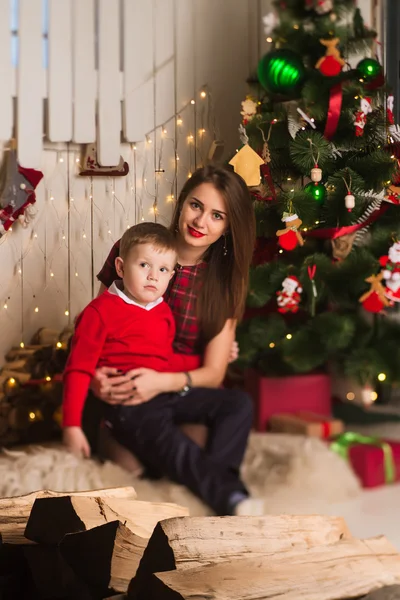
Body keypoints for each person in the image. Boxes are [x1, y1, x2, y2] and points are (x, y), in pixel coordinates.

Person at [89, 164, 260, 516]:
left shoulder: (223, 283)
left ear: (228, 227)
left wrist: (162, 382)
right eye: (196, 206)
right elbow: (99, 324)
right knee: (138, 464)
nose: (201, 222)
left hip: (177, 386)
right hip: (130, 384)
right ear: (181, 203)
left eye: (217, 216)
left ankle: (220, 492)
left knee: (238, 406)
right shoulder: (136, 248)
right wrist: (97, 376)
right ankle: (225, 494)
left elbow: (213, 374)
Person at [62, 222, 201, 458]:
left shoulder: (163, 313)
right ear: (120, 267)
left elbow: (164, 361)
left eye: (163, 270)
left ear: (171, 275)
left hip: (156, 400)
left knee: (219, 414)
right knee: (134, 468)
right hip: (116, 405)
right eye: (144, 265)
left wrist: (204, 361)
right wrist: (71, 426)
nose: (152, 276)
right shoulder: (99, 312)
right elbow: (78, 370)